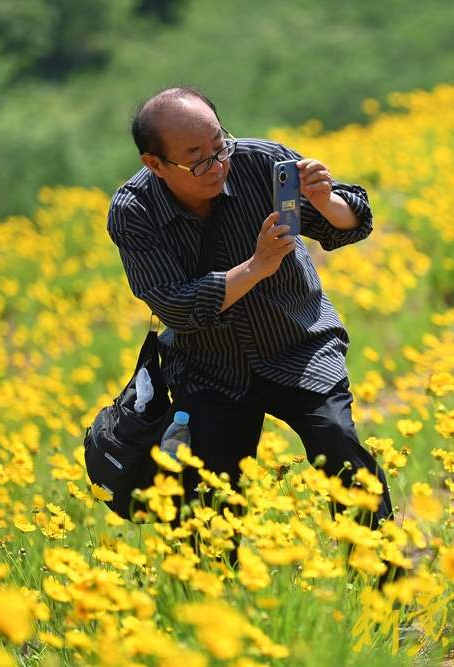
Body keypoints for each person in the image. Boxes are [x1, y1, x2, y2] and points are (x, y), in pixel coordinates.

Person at [106, 86, 397, 549]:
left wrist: (326, 201)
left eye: (219, 144)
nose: (216, 163)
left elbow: (351, 223)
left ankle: (386, 589)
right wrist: (256, 266)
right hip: (209, 368)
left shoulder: (262, 163)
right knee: (214, 496)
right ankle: (216, 605)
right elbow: (176, 306)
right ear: (154, 164)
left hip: (298, 344)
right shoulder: (134, 211)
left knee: (340, 447)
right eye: (196, 158)